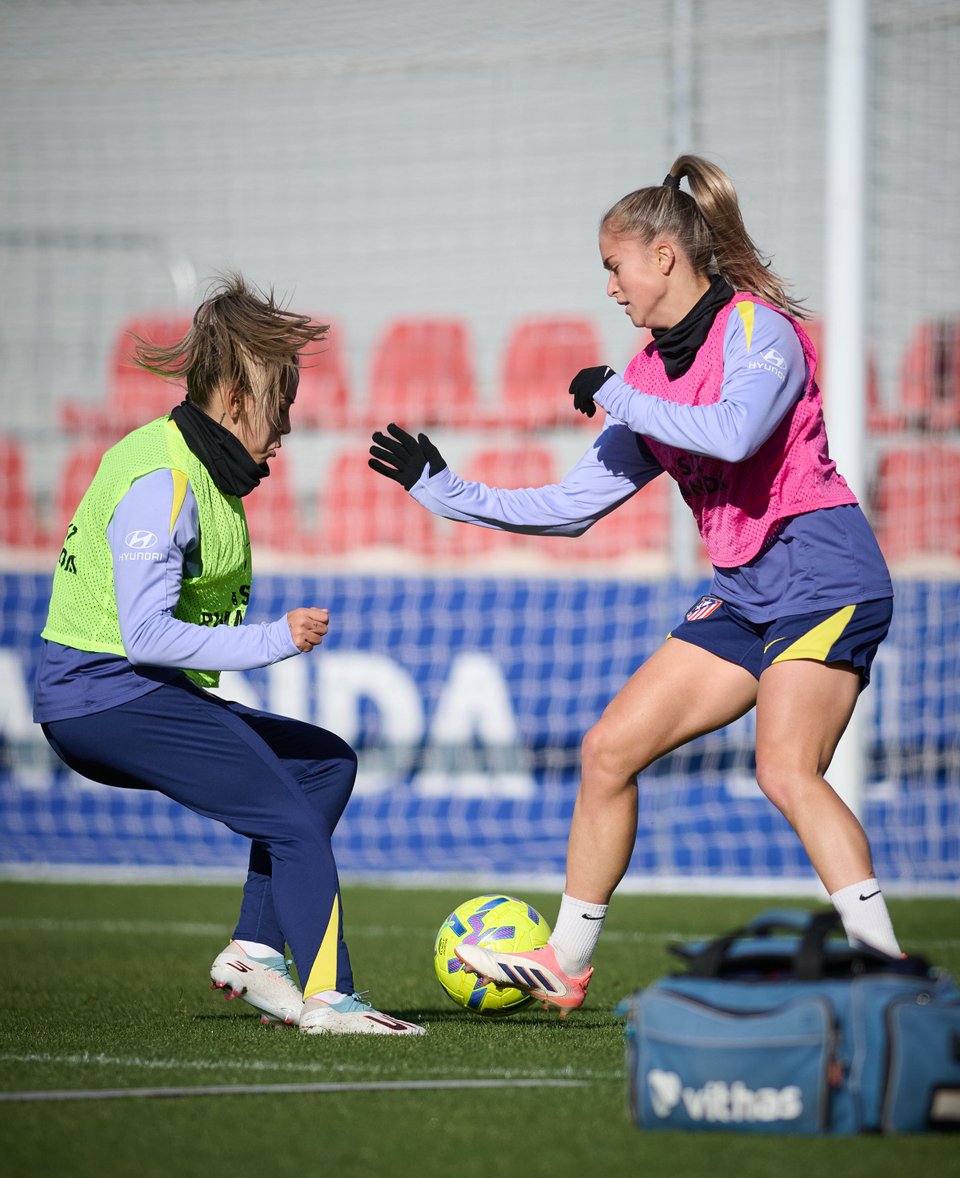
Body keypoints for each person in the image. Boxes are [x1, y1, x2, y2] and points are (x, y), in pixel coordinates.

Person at [369, 154, 902, 1016]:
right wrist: (446, 491)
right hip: (744, 588)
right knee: (608, 751)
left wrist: (619, 393)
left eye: (614, 267)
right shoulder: (647, 378)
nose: (611, 289)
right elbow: (574, 507)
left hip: (824, 572)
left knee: (785, 768)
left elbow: (732, 433)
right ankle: (563, 969)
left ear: (663, 256)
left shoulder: (755, 332)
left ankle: (888, 969)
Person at [35, 272, 424, 1036]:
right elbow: (144, 637)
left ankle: (253, 951)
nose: (286, 428)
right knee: (293, 825)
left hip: (130, 690)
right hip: (104, 696)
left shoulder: (203, 469)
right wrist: (274, 639)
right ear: (238, 401)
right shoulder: (166, 478)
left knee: (324, 764)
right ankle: (331, 1001)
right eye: (280, 407)